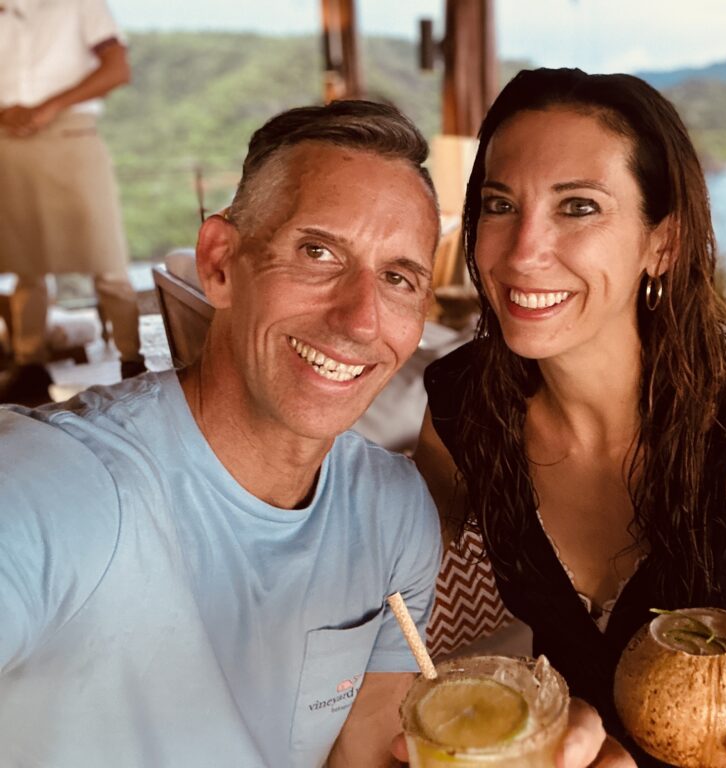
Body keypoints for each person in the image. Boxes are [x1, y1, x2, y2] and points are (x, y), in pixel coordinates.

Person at [0, 99, 619, 768]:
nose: (359, 319)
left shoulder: (393, 514)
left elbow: (366, 754)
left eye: (396, 277)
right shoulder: (55, 489)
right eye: (318, 251)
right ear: (219, 262)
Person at [415, 68, 726, 767]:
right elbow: (375, 581)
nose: (523, 252)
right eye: (499, 204)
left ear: (663, 243)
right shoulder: (464, 409)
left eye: (578, 207)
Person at [0, 0, 144, 406]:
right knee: (26, 265)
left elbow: (118, 69)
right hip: (8, 142)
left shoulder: (80, 4)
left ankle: (132, 361)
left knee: (107, 258)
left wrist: (47, 109)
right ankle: (29, 367)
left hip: (72, 137)